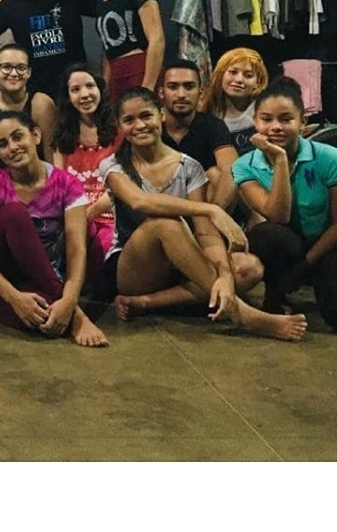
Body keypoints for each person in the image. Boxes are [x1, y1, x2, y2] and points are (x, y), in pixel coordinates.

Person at [99, 87, 306, 341]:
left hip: (182, 265)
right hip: (134, 267)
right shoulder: (113, 165)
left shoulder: (189, 166)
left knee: (248, 268)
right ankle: (242, 314)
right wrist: (211, 209)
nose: (140, 125)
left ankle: (147, 302)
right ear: (120, 125)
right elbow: (140, 202)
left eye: (146, 116)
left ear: (161, 115)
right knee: (166, 223)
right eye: (129, 120)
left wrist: (225, 276)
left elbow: (205, 232)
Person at [0, 109, 109, 348]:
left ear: (36, 136)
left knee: (43, 315)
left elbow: (76, 246)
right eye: (3, 144)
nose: (13, 147)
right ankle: (76, 317)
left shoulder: (66, 184)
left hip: (39, 275)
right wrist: (16, 299)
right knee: (14, 214)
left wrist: (68, 299)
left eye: (18, 137)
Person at [233, 77, 337, 326]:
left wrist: (303, 268)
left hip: (327, 244)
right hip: (287, 244)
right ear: (255, 122)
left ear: (302, 122)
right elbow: (278, 217)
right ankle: (275, 293)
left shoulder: (330, 157)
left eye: (286, 119)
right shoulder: (243, 166)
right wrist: (279, 160)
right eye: (267, 119)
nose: (276, 127)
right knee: (267, 234)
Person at [51, 64, 120, 258]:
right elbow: (59, 186)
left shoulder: (119, 130)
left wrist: (89, 213)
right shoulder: (62, 136)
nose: (84, 95)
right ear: (68, 97)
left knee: (100, 249)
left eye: (90, 86)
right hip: (75, 214)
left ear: (100, 89)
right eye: (75, 89)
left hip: (111, 216)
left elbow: (122, 187)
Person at [159, 58, 237, 209]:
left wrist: (215, 215)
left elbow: (231, 169)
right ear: (161, 92)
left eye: (189, 87)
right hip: (163, 201)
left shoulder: (212, 125)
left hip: (206, 205)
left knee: (215, 174)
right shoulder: (150, 127)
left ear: (201, 93)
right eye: (173, 87)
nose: (181, 94)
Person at [0, 42, 57, 163]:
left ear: (28, 72)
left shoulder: (42, 104)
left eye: (21, 68)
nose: (14, 73)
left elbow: (52, 157)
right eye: (6, 67)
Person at [200, 48, 269, 155]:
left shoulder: (266, 109)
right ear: (221, 74)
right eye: (233, 72)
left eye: (248, 75)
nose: (239, 79)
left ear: (257, 82)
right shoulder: (206, 112)